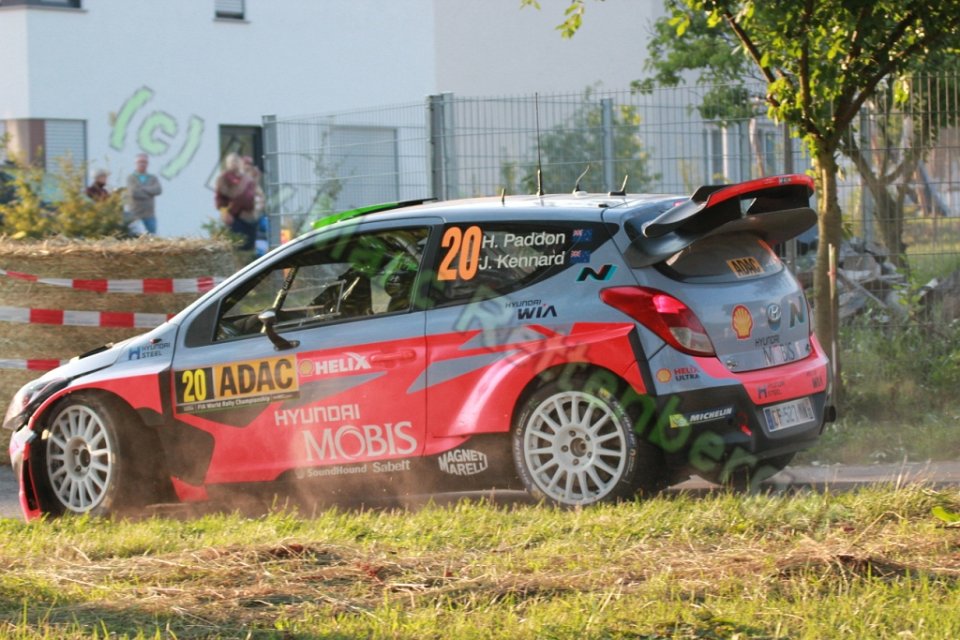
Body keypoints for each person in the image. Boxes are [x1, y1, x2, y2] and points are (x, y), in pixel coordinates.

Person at [215, 152, 259, 251]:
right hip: (234, 216)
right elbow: (220, 198)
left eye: (236, 161)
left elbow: (254, 193)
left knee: (250, 244)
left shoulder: (245, 177)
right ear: (227, 164)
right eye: (232, 161)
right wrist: (225, 213)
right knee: (238, 244)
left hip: (249, 216)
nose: (234, 163)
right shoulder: (223, 178)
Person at [124, 153, 162, 235]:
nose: (142, 164)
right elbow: (134, 192)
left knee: (152, 236)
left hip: (149, 214)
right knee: (133, 236)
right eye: (140, 162)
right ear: (136, 163)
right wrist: (149, 194)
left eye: (144, 162)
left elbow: (158, 190)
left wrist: (144, 189)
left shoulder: (152, 178)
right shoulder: (131, 177)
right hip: (134, 214)